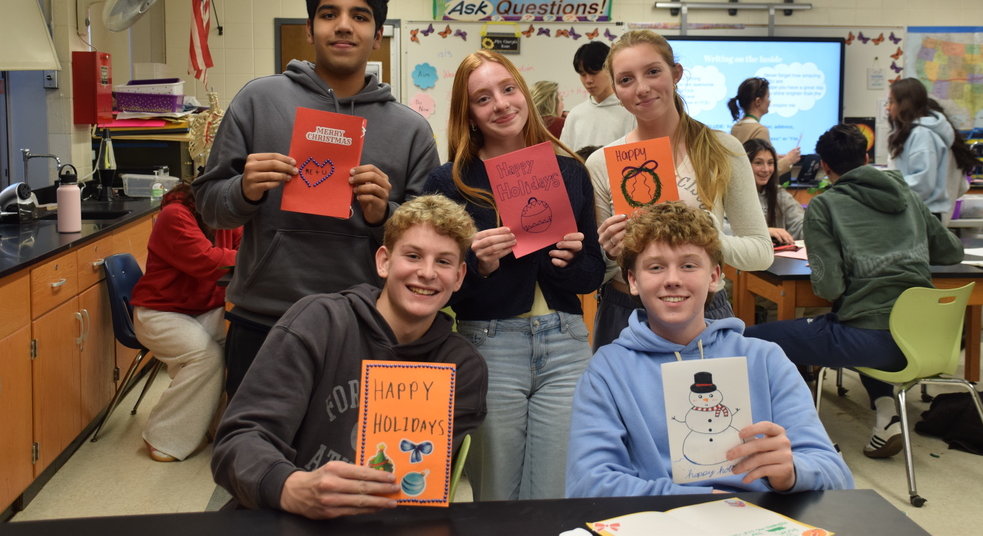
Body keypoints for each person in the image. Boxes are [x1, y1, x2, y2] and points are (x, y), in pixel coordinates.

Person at [193, 0, 439, 397]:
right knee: (255, 457)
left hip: (366, 321)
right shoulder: (258, 101)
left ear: (377, 35)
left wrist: (386, 214)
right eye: (329, 14)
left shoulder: (411, 131)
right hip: (265, 317)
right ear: (309, 28)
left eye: (359, 17)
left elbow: (430, 242)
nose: (343, 26)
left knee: (349, 459)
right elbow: (210, 207)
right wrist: (244, 190)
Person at [211, 195, 488, 519]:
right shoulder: (318, 322)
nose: (427, 273)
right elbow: (238, 440)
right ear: (383, 261)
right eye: (413, 255)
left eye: (443, 261)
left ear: (458, 276)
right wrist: (290, 486)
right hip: (282, 518)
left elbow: (423, 482)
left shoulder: (461, 368)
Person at [565, 201, 853, 497]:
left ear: (714, 277)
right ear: (633, 281)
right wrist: (699, 500)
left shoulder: (765, 360)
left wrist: (792, 472)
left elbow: (835, 475)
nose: (673, 280)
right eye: (656, 267)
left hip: (758, 520)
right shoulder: (608, 370)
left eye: (689, 265)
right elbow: (588, 484)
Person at [423, 50, 604, 501]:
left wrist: (568, 259)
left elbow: (592, 274)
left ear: (523, 93)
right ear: (469, 116)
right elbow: (437, 286)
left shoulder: (568, 171)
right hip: (488, 343)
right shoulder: (449, 183)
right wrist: (478, 265)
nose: (501, 104)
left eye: (508, 89)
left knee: (554, 494)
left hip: (565, 343)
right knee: (497, 495)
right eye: (483, 99)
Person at [745, 124, 964, 458]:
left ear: (825, 167)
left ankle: (795, 430)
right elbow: (951, 252)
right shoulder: (906, 194)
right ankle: (887, 414)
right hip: (928, 338)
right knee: (854, 323)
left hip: (873, 340)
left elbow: (830, 286)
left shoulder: (825, 205)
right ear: (866, 157)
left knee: (749, 337)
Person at [587, 30, 773, 350]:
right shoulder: (601, 163)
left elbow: (761, 253)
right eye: (626, 79)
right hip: (626, 313)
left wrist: (706, 238)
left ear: (676, 74)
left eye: (653, 72)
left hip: (703, 310)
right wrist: (612, 253)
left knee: (707, 401)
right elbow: (600, 274)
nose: (642, 88)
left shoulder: (721, 149)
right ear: (616, 89)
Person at [132, 183, 241, 462]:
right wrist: (251, 258)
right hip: (160, 312)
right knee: (206, 357)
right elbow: (208, 262)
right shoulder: (175, 214)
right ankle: (164, 438)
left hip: (204, 308)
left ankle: (217, 426)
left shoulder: (226, 218)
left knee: (242, 339)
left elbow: (247, 248)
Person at [886, 77, 956, 217]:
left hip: (923, 214)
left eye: (891, 102)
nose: (888, 107)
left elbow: (922, 184)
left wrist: (884, 186)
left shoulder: (922, 135)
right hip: (914, 210)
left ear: (905, 104)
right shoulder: (911, 133)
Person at [560, 41, 636, 151]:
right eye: (583, 74)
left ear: (610, 69)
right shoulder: (575, 115)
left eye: (594, 73)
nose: (588, 80)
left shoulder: (630, 111)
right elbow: (565, 156)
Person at [728, 77, 801, 178]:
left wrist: (773, 158)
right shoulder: (760, 130)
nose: (769, 101)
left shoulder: (735, 128)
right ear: (758, 101)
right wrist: (788, 160)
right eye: (767, 97)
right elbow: (763, 173)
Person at [926, 97, 981, 223]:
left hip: (924, 220)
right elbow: (962, 187)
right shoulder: (953, 144)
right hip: (941, 219)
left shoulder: (926, 141)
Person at [744, 138, 804, 246]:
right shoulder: (729, 194)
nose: (766, 169)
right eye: (758, 163)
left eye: (770, 163)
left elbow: (799, 223)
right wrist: (764, 232)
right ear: (744, 165)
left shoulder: (779, 193)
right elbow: (720, 230)